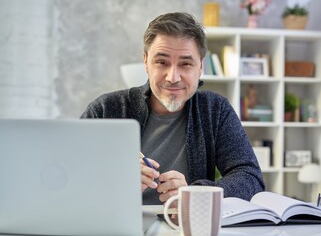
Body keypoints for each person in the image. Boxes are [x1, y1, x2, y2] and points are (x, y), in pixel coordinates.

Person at [81, 12, 265, 204]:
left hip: (185, 228)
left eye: (185, 64)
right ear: (146, 62)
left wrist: (195, 194)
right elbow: (68, 173)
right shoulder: (104, 110)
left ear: (200, 67)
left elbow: (250, 178)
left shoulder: (215, 110)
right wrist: (114, 180)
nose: (173, 77)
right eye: (162, 62)